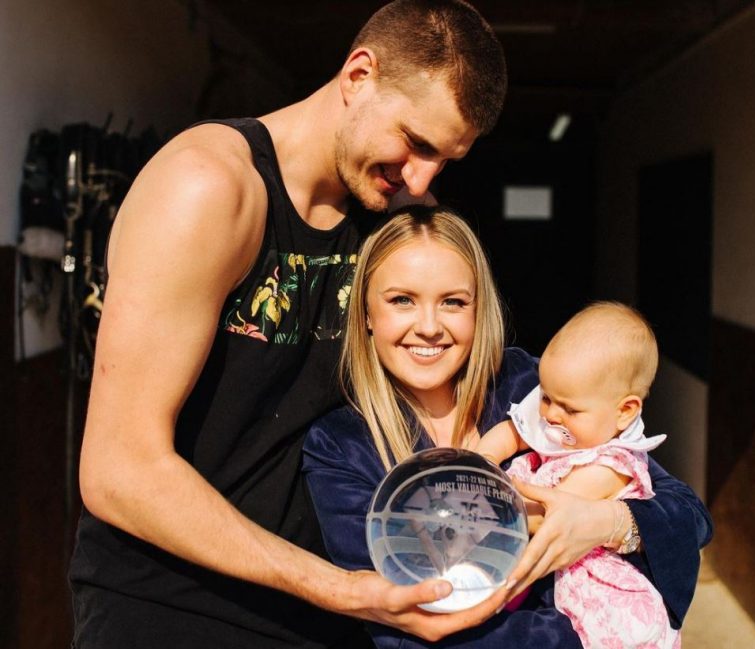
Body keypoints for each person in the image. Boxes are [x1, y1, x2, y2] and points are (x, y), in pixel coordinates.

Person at [69, 2, 511, 647]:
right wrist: (341, 588)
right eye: (415, 143)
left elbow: (472, 392)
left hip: (328, 613)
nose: (421, 177)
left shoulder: (394, 209)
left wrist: (598, 509)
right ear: (359, 75)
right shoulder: (210, 188)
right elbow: (118, 471)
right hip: (170, 607)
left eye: (444, 160)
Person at [303, 206, 712, 648]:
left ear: (479, 309)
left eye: (453, 302)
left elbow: (688, 515)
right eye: (402, 299)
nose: (428, 327)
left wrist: (605, 521)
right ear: (365, 311)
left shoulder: (528, 386)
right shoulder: (341, 444)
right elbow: (406, 626)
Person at [477, 302, 680, 647]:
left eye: (569, 408)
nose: (551, 415)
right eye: (546, 398)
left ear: (625, 411)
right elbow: (514, 433)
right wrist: (478, 461)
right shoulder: (560, 414)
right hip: (543, 567)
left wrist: (483, 507)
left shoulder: (611, 465)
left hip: (597, 589)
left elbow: (547, 517)